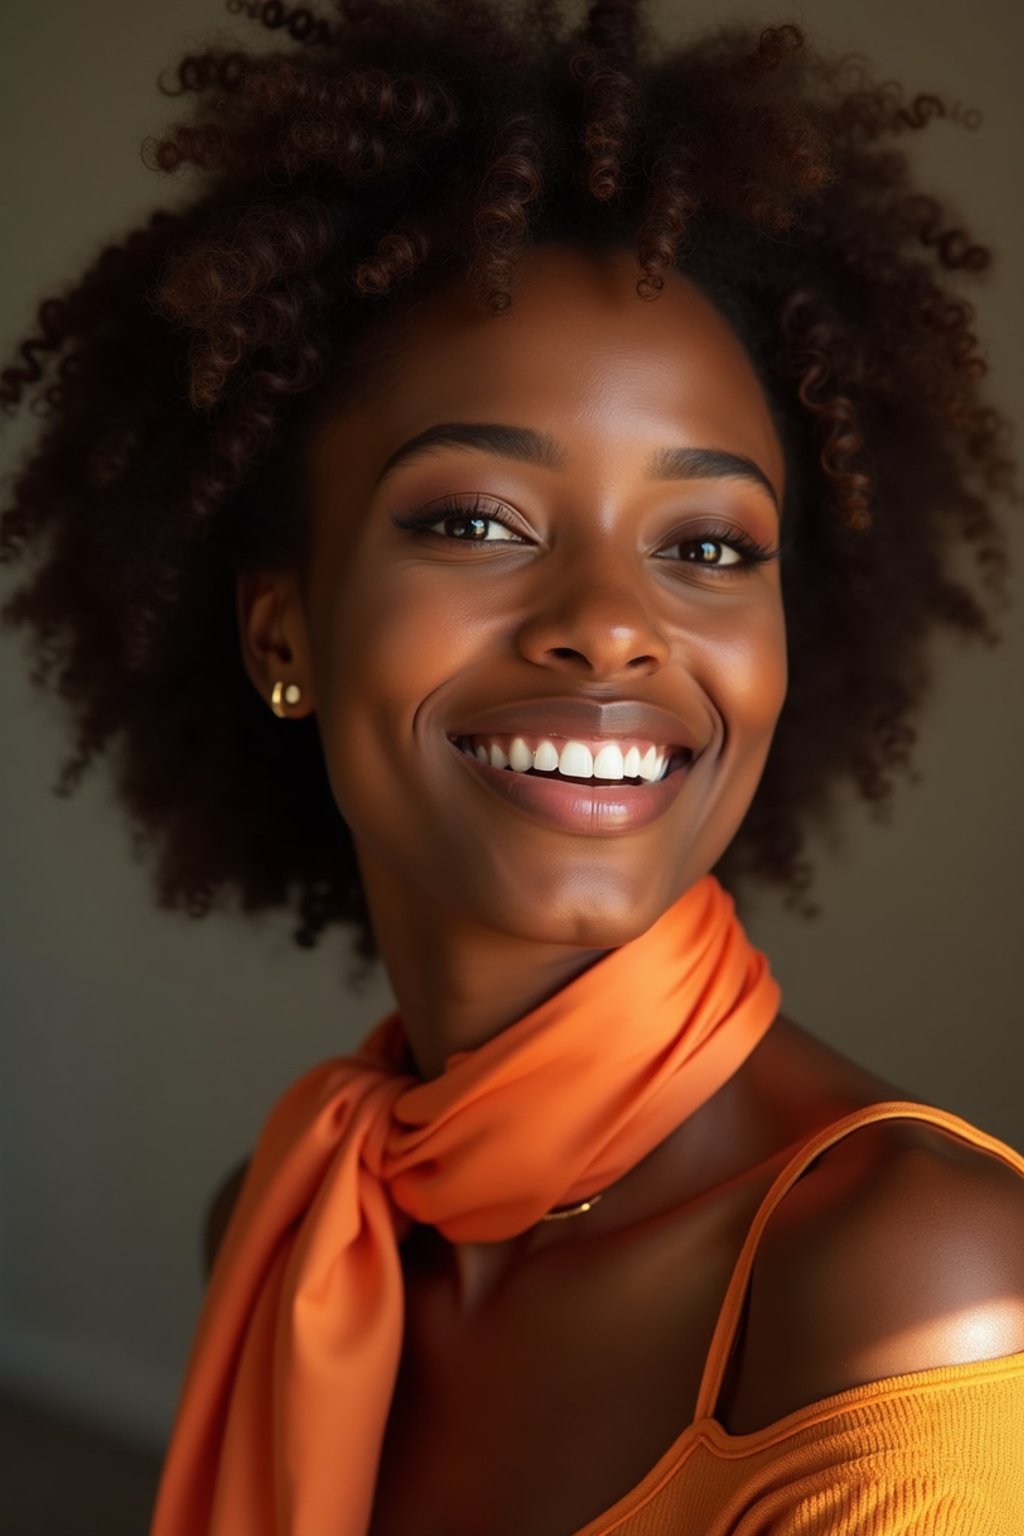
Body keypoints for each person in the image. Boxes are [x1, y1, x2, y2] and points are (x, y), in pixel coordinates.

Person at [2, 1, 1022, 1532]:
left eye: (708, 546)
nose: (612, 629)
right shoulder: (293, 1230)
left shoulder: (911, 1288)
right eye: (476, 520)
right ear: (285, 627)